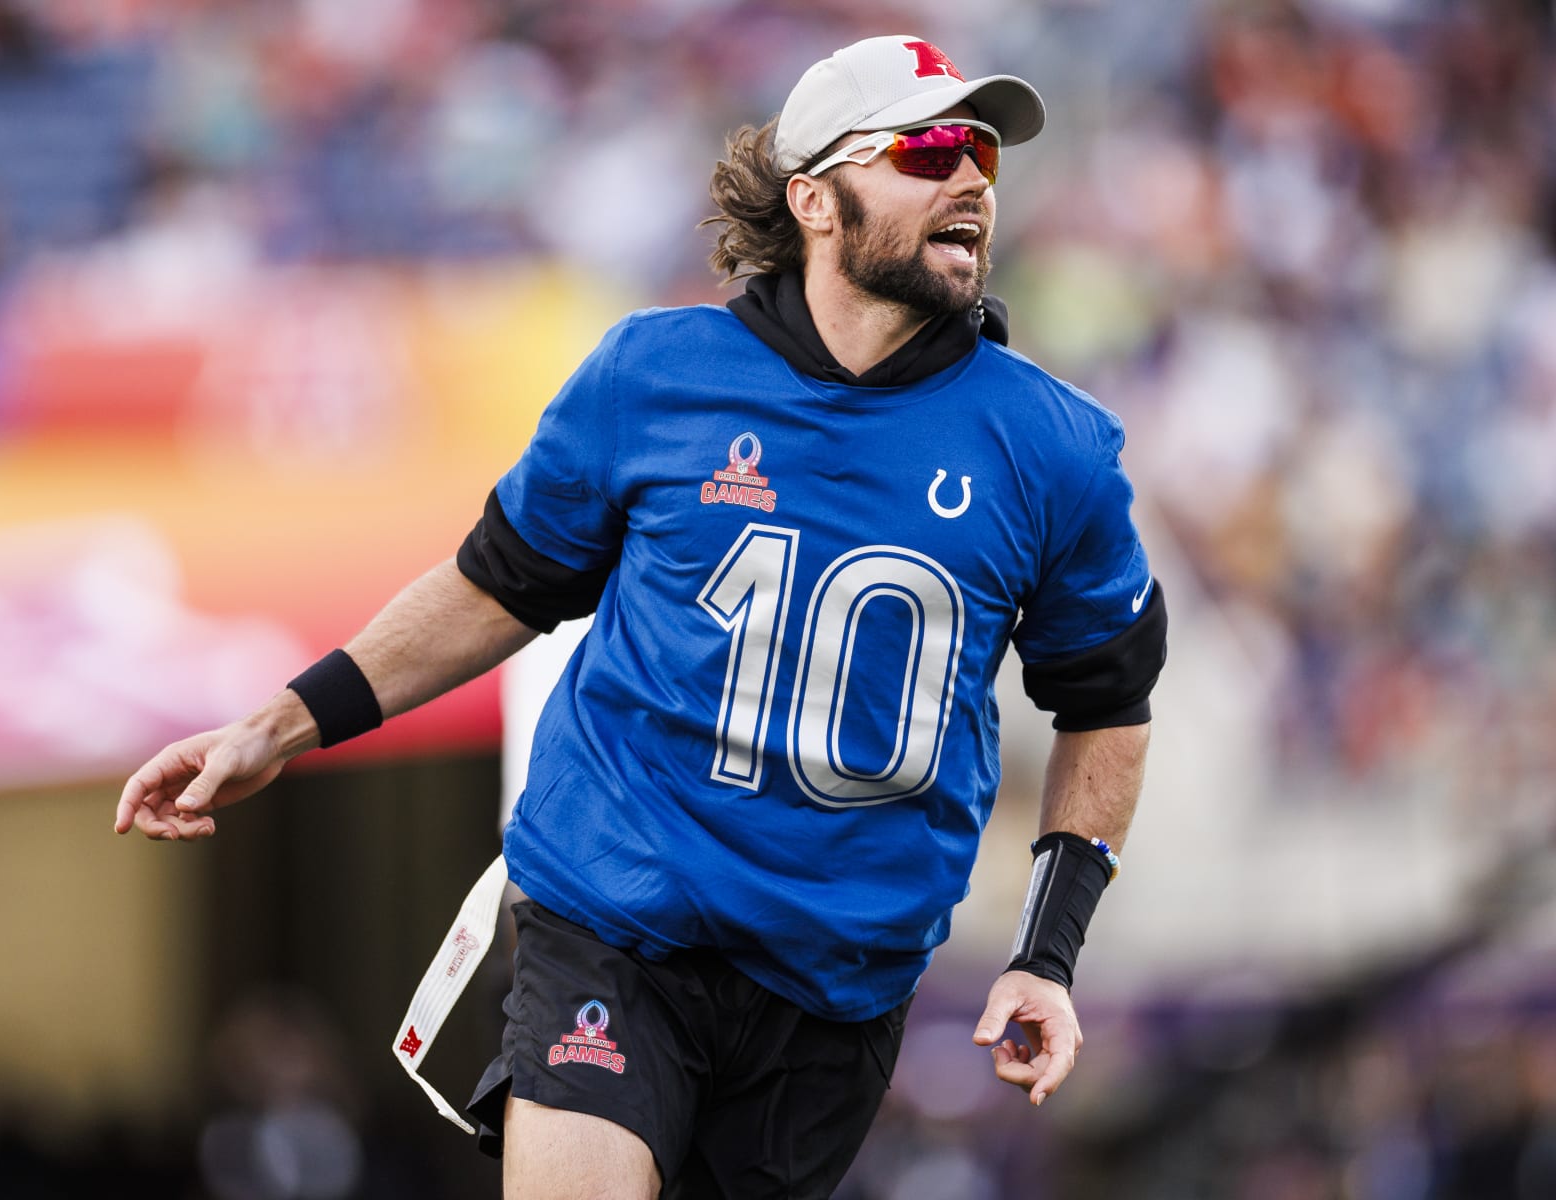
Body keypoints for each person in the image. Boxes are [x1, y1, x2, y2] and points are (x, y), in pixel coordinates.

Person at [116, 33, 1166, 1200]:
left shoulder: (1054, 447)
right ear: (814, 199)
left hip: (838, 980)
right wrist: (275, 727)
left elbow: (1107, 703)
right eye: (926, 149)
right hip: (616, 915)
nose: (969, 177)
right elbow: (496, 587)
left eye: (981, 153)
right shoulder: (653, 376)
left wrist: (1048, 956)